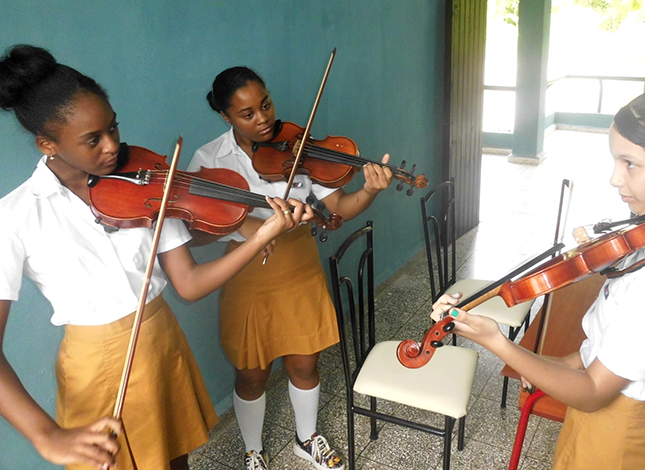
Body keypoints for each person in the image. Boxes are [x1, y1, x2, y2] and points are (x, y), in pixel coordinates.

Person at [0, 45, 314, 470]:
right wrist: (46, 434)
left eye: (113, 127)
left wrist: (258, 237)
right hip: (94, 369)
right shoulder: (15, 215)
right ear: (46, 144)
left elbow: (190, 284)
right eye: (93, 139)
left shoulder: (146, 183)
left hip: (161, 340)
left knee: (176, 461)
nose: (113, 147)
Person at [432, 84, 645, 469]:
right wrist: (554, 366)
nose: (615, 178)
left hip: (620, 442)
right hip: (616, 425)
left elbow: (594, 391)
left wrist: (497, 343)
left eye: (629, 163)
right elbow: (606, 352)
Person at [187, 66, 393, 470]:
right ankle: (253, 450)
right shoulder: (207, 159)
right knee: (252, 373)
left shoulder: (298, 147)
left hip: (298, 267)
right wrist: (249, 224)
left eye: (265, 105)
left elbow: (341, 208)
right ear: (225, 117)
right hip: (246, 275)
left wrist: (368, 189)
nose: (262, 118)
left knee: (305, 363)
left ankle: (306, 438)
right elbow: (196, 235)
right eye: (247, 114)